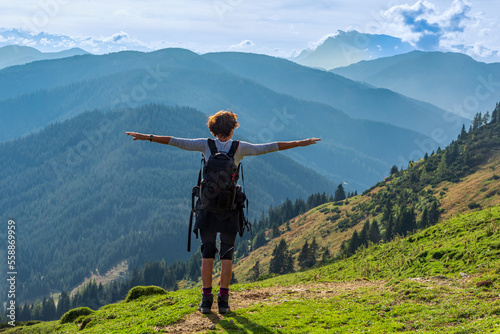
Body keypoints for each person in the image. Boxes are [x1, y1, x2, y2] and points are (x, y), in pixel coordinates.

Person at [126, 110, 320, 314]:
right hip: (230, 208)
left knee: (207, 253)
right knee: (227, 254)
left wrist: (147, 137)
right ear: (233, 128)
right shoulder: (240, 148)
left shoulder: (204, 145)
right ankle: (224, 301)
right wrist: (300, 142)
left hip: (207, 208)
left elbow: (176, 141)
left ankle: (206, 300)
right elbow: (270, 147)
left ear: (213, 128)